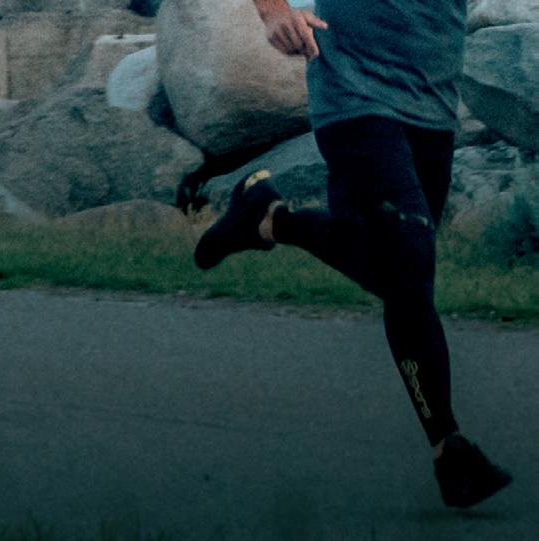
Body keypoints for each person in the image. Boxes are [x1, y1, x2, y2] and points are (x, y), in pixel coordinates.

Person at [194, 0, 513, 508]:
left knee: (403, 277)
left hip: (432, 100)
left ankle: (269, 218)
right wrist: (273, 11)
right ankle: (450, 453)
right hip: (354, 90)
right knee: (409, 261)